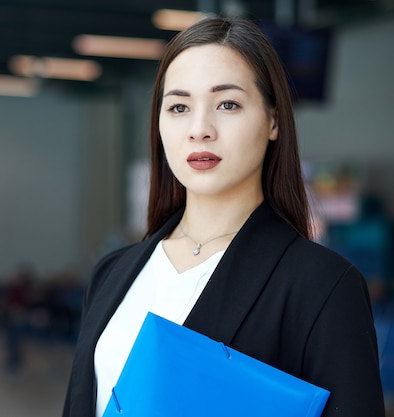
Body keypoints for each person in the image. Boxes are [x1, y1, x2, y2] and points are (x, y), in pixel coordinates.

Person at [62, 16, 384, 417]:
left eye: (227, 104)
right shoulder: (112, 272)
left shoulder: (322, 286)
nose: (199, 129)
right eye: (179, 106)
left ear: (274, 121)